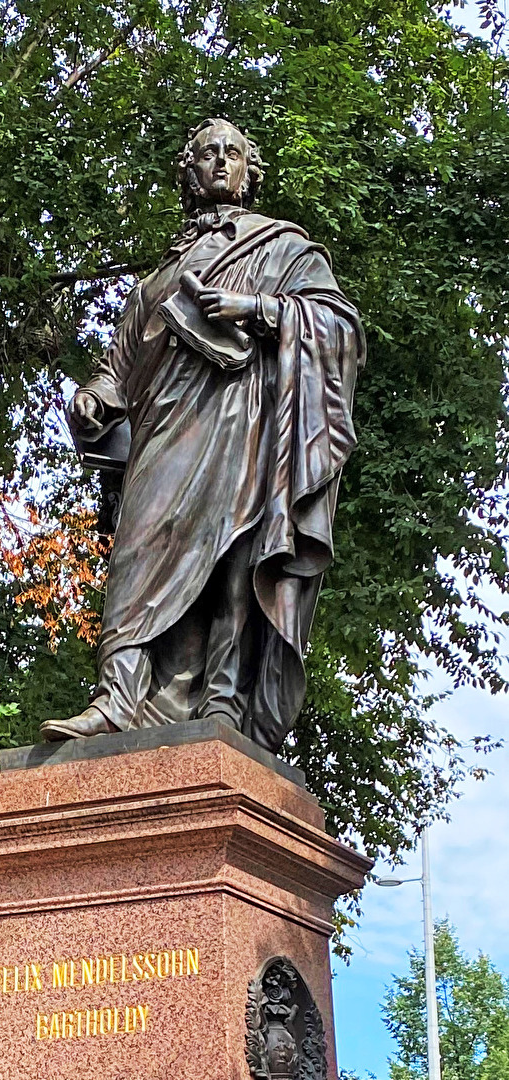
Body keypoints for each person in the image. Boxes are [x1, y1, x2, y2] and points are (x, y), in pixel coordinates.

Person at [40, 118, 365, 752]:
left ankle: (221, 700)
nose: (220, 162)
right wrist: (94, 399)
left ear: (250, 170)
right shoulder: (159, 278)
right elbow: (121, 365)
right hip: (163, 435)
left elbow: (339, 329)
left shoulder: (285, 250)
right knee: (137, 552)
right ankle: (118, 699)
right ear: (189, 172)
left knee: (233, 561)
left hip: (242, 423)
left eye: (233, 154)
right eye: (208, 153)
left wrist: (261, 310)